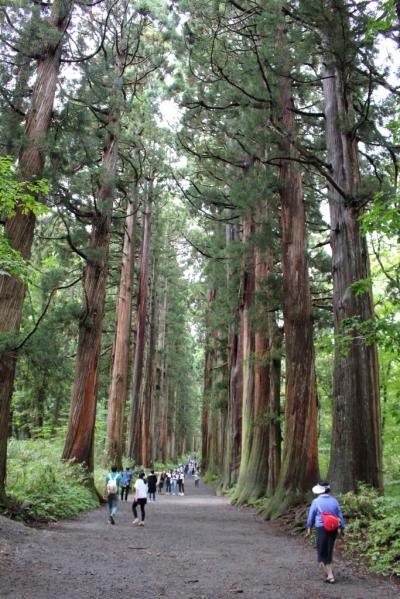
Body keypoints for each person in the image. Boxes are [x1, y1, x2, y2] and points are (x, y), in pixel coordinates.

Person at [306, 481, 345, 584]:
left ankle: (330, 575)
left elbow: (311, 515)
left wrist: (309, 527)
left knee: (322, 551)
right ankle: (328, 571)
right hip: (333, 529)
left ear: (320, 491)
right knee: (329, 549)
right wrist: (342, 527)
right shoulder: (335, 501)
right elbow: (339, 515)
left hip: (322, 528)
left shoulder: (316, 501)